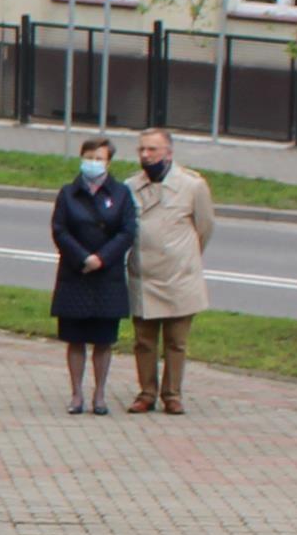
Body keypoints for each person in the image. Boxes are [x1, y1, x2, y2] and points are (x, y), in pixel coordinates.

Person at [126, 125, 215, 414]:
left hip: (179, 277)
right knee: (144, 340)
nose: (146, 154)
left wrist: (185, 256)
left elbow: (204, 228)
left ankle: (172, 394)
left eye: (152, 149)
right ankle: (146, 392)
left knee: (176, 341)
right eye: (142, 149)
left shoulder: (192, 185)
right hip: (144, 276)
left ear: (169, 152)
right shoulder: (131, 186)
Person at [50, 137, 136, 416]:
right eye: (89, 157)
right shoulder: (67, 193)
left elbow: (127, 231)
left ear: (109, 162)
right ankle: (76, 394)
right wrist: (83, 257)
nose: (93, 162)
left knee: (103, 339)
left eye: (99, 158)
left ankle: (100, 395)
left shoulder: (121, 193)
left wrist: (102, 258)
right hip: (76, 275)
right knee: (75, 338)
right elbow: (60, 230)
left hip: (106, 276)